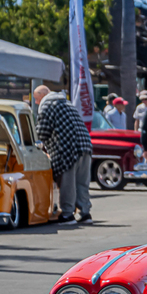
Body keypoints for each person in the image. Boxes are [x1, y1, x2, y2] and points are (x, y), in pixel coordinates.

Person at [34, 85, 93, 225]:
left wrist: (35, 143)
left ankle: (67, 214)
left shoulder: (47, 104)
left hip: (68, 147)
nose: (36, 103)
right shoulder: (65, 102)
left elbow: (42, 132)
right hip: (85, 144)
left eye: (36, 99)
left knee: (68, 183)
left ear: (42, 95)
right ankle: (85, 213)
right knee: (82, 182)